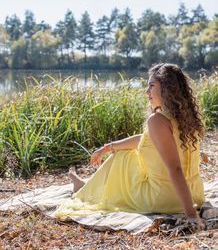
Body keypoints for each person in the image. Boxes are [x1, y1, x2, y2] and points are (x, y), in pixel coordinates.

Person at [56, 63, 205, 228]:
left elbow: (175, 169)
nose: (146, 91)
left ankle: (86, 191)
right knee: (123, 151)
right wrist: (108, 147)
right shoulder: (187, 118)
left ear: (167, 89)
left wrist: (191, 215)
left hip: (165, 199)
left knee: (124, 156)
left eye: (152, 86)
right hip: (196, 195)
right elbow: (145, 140)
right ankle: (88, 187)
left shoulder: (157, 120)